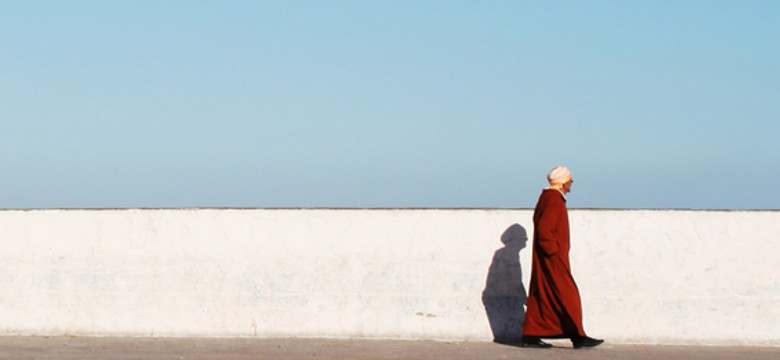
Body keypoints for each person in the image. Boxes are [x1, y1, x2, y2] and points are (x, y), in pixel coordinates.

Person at [520, 166, 604, 349]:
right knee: (568, 294)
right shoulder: (553, 199)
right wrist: (554, 252)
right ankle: (578, 336)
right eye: (570, 180)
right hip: (553, 258)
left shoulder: (549, 197)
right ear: (563, 182)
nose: (571, 184)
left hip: (551, 257)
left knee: (543, 293)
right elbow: (545, 229)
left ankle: (532, 334)